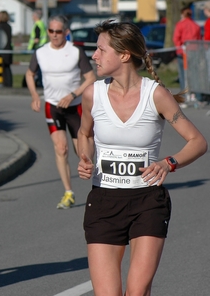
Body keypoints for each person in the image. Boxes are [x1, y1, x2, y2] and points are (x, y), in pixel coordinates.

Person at [77, 20, 206, 296]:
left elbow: (198, 142)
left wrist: (168, 163)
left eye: (101, 50)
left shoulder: (155, 95)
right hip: (104, 201)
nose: (94, 55)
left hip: (147, 202)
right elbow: (84, 134)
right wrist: (85, 157)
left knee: (137, 291)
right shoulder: (92, 94)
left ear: (124, 55)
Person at [25, 15, 96, 209]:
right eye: (51, 31)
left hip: (75, 107)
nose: (54, 35)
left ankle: (100, 187)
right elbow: (29, 74)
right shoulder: (41, 52)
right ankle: (68, 193)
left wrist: (73, 95)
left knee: (83, 154)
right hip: (53, 106)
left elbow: (91, 77)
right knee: (61, 148)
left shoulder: (75, 51)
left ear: (66, 32)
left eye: (58, 31)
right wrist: (34, 95)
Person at [173, 5, 201, 105]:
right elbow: (198, 39)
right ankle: (196, 95)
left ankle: (184, 96)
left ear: (183, 14)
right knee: (194, 74)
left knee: (182, 75)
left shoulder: (180, 25)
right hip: (194, 52)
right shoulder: (196, 25)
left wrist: (179, 49)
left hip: (183, 53)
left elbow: (176, 38)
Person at [27, 10, 48, 87]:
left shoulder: (37, 25)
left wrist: (32, 46)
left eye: (33, 15)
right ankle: (41, 82)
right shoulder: (42, 24)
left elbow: (36, 39)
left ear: (36, 16)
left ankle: (40, 83)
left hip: (38, 47)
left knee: (36, 67)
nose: (32, 17)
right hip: (42, 46)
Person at [0, 11, 13, 87]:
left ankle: (5, 83)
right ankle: (9, 83)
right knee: (7, 67)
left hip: (1, 49)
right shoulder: (9, 26)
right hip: (8, 48)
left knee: (2, 67)